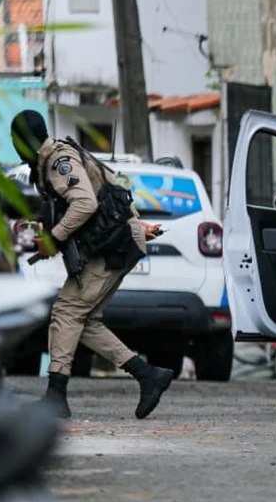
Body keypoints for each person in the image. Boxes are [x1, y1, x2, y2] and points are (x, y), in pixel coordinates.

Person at [10, 110, 174, 420]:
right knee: (84, 322)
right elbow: (111, 185)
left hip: (110, 248)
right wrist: (137, 223)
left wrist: (54, 239)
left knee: (66, 312)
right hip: (115, 244)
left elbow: (86, 202)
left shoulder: (59, 159)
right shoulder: (56, 158)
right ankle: (148, 375)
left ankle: (57, 396)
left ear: (25, 141)